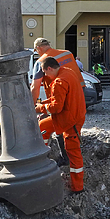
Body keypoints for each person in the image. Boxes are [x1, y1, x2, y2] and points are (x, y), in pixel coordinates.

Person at [35, 57, 87, 192]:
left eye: (45, 72)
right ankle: (41, 159)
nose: (45, 76)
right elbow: (58, 99)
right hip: (71, 115)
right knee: (43, 126)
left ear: (50, 68)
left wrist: (40, 108)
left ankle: (77, 188)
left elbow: (57, 107)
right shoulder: (68, 72)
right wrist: (43, 104)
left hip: (71, 120)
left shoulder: (59, 81)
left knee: (73, 151)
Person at [30, 38, 82, 103]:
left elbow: (35, 87)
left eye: (36, 51)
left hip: (60, 96)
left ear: (39, 48)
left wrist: (32, 107)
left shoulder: (41, 62)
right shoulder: (67, 54)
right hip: (79, 91)